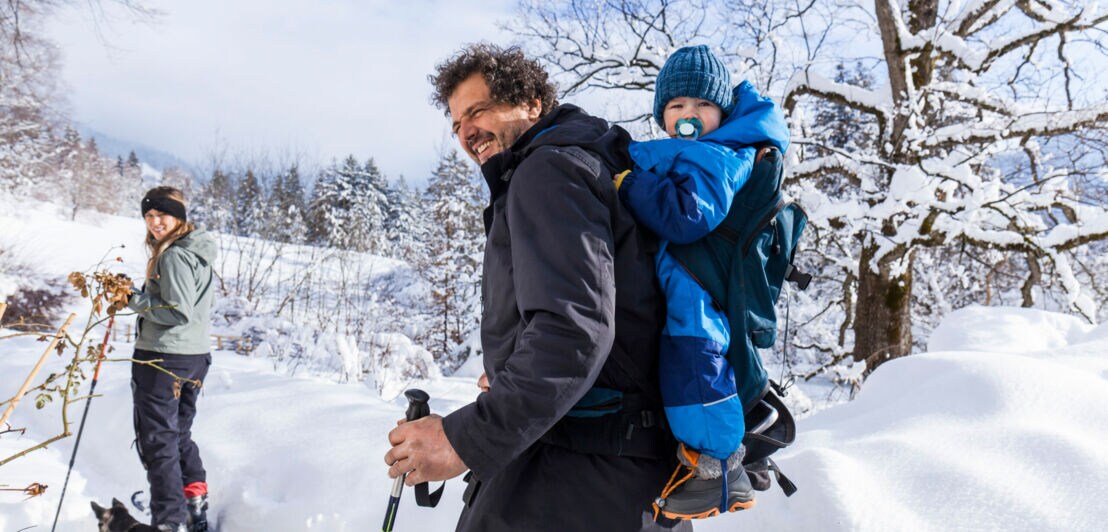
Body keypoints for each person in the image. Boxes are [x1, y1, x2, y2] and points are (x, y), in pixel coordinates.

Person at [383, 43, 688, 531]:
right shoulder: (591, 165)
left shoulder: (547, 171)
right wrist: (513, 371)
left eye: (478, 111)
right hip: (620, 480)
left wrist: (463, 439)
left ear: (530, 102)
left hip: (570, 480)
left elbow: (574, 332)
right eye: (457, 123)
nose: (466, 132)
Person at [615, 45, 790, 520]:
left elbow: (688, 217)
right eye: (676, 105)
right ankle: (706, 460)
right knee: (686, 362)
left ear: (722, 112)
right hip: (687, 280)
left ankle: (718, 468)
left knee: (695, 360)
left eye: (702, 104)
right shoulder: (704, 152)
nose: (688, 114)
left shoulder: (719, 156)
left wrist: (630, 184)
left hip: (696, 289)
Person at [127, 186, 217, 532]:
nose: (155, 222)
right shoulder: (195, 251)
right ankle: (192, 504)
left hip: (163, 358)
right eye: (149, 216)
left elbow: (177, 311)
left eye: (162, 214)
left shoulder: (174, 256)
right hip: (193, 357)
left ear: (178, 216)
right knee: (177, 435)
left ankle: (169, 520)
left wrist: (133, 300)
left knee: (158, 441)